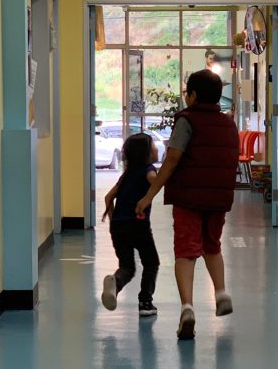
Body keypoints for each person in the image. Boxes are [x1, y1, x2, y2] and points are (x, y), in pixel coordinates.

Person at [135, 69, 239, 341]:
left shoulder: (187, 121)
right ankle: (221, 292)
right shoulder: (229, 124)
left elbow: (172, 160)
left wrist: (149, 196)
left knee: (186, 250)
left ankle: (188, 308)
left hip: (188, 199)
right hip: (218, 199)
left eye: (186, 92)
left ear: (192, 95)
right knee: (212, 245)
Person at [101, 132, 160, 317]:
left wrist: (114, 221)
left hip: (119, 226)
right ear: (146, 153)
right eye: (153, 146)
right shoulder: (149, 170)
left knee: (127, 266)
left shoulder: (127, 175)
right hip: (138, 224)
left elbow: (108, 197)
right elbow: (155, 182)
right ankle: (145, 302)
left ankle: (116, 283)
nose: (156, 148)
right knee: (151, 263)